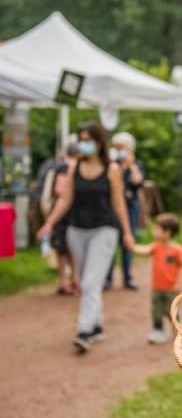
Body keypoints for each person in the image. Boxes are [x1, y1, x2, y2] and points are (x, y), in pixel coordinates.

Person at [37, 121, 134, 354]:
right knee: (87, 282)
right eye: (81, 140)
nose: (83, 144)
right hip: (76, 230)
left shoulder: (112, 169)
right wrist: (49, 223)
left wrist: (127, 233)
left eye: (87, 140)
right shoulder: (74, 167)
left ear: (99, 142)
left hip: (105, 229)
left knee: (90, 282)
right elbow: (65, 199)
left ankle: (84, 330)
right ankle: (97, 324)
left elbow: (119, 204)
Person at [132, 213, 182, 344]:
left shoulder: (177, 251)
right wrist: (131, 246)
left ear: (167, 232)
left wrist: (178, 283)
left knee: (172, 310)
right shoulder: (156, 247)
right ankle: (158, 331)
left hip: (171, 288)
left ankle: (178, 331)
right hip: (157, 288)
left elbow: (180, 268)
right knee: (156, 310)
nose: (153, 231)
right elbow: (143, 250)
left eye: (157, 228)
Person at [104, 132, 144, 290]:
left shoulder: (136, 164)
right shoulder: (111, 164)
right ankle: (107, 278)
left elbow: (137, 181)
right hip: (113, 207)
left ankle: (128, 277)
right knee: (111, 241)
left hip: (130, 207)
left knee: (128, 240)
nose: (119, 150)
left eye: (123, 147)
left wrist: (131, 165)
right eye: (117, 147)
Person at [42, 139, 79, 295]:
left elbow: (51, 192)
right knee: (71, 248)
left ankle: (64, 280)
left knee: (61, 248)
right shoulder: (72, 168)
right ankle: (73, 281)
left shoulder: (57, 167)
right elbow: (63, 192)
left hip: (59, 211)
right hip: (71, 212)